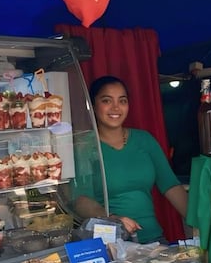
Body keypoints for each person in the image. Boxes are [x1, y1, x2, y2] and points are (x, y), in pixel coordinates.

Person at [75, 75, 188, 243]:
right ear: (92, 105)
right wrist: (112, 219)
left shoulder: (144, 140)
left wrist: (202, 221)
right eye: (107, 101)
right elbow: (80, 200)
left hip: (154, 241)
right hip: (110, 244)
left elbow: (170, 185)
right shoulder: (84, 146)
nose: (116, 108)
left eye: (122, 101)